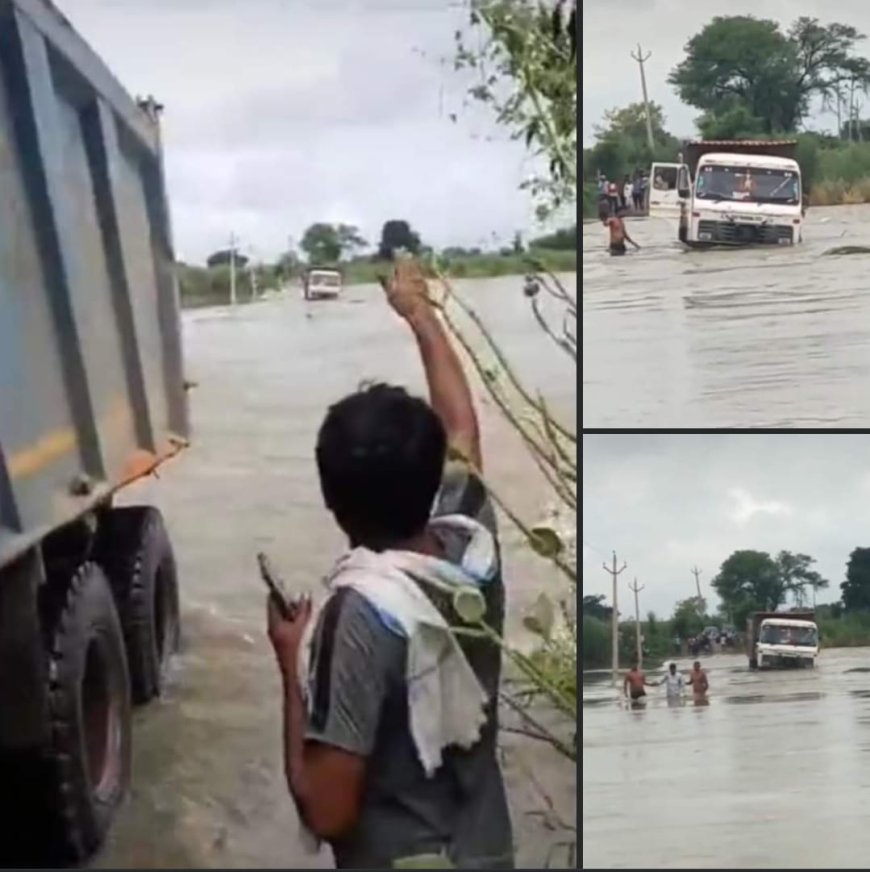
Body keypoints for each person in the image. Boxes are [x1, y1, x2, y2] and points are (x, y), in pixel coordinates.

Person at [265, 258, 514, 869]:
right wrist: (419, 312)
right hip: (489, 851)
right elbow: (461, 428)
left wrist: (291, 663)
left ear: (330, 499)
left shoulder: (360, 614)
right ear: (431, 475)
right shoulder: (469, 550)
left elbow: (325, 811)